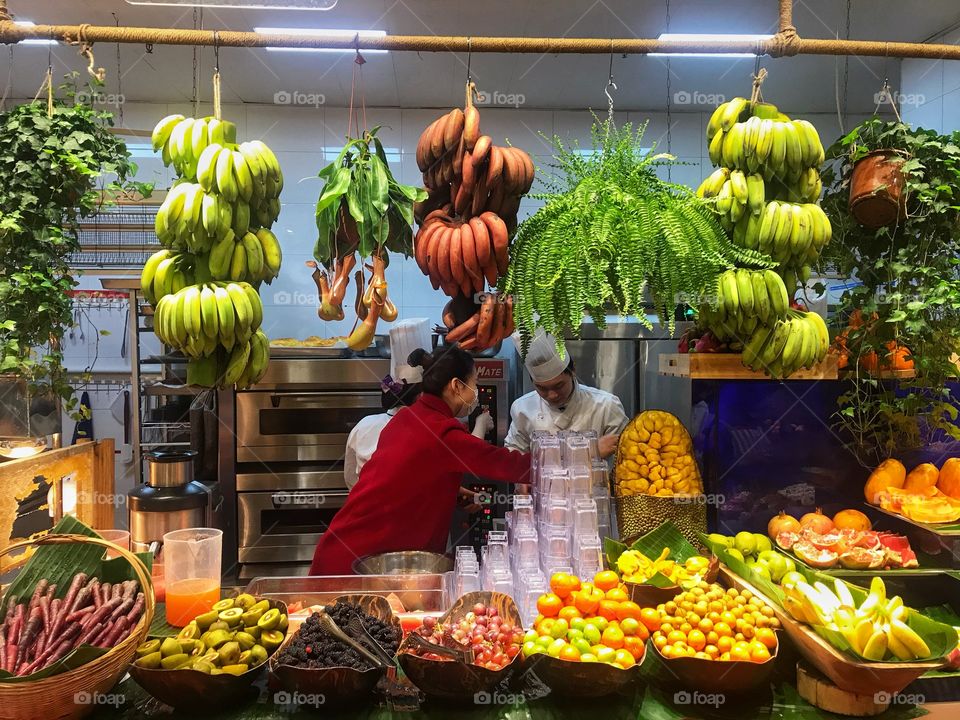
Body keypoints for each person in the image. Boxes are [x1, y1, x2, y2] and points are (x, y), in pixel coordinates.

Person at [310, 344, 531, 575]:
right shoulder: (444, 433)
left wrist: (451, 493)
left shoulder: (408, 417)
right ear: (456, 385)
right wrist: (559, 463)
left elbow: (405, 478)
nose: (476, 392)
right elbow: (506, 464)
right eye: (474, 383)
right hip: (358, 564)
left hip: (343, 548)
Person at [344, 320, 495, 491]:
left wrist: (456, 493)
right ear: (423, 395)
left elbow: (353, 481)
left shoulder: (364, 426)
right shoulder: (426, 430)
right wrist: (481, 423)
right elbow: (469, 457)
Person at [504, 329, 628, 458]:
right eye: (542, 388)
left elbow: (627, 460)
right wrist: (591, 451)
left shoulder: (606, 406)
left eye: (559, 386)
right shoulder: (522, 409)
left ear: (573, 371)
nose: (552, 395)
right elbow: (513, 460)